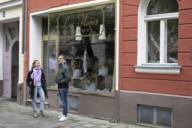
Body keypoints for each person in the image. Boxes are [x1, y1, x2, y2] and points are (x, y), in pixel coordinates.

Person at [56, 55, 71, 121]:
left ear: (63, 59)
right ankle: (63, 113)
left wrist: (60, 81)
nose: (59, 59)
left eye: (61, 58)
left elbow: (68, 78)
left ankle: (65, 115)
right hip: (60, 86)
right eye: (58, 58)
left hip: (64, 87)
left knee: (64, 101)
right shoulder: (60, 67)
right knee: (62, 101)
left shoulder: (65, 67)